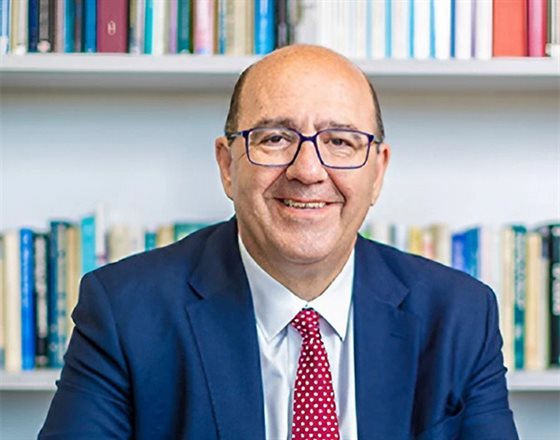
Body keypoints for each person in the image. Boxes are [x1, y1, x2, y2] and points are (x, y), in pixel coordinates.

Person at [39, 45, 518, 439]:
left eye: (341, 142)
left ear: (378, 172)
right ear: (228, 165)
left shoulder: (460, 315)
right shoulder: (125, 311)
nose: (308, 171)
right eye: (274, 138)